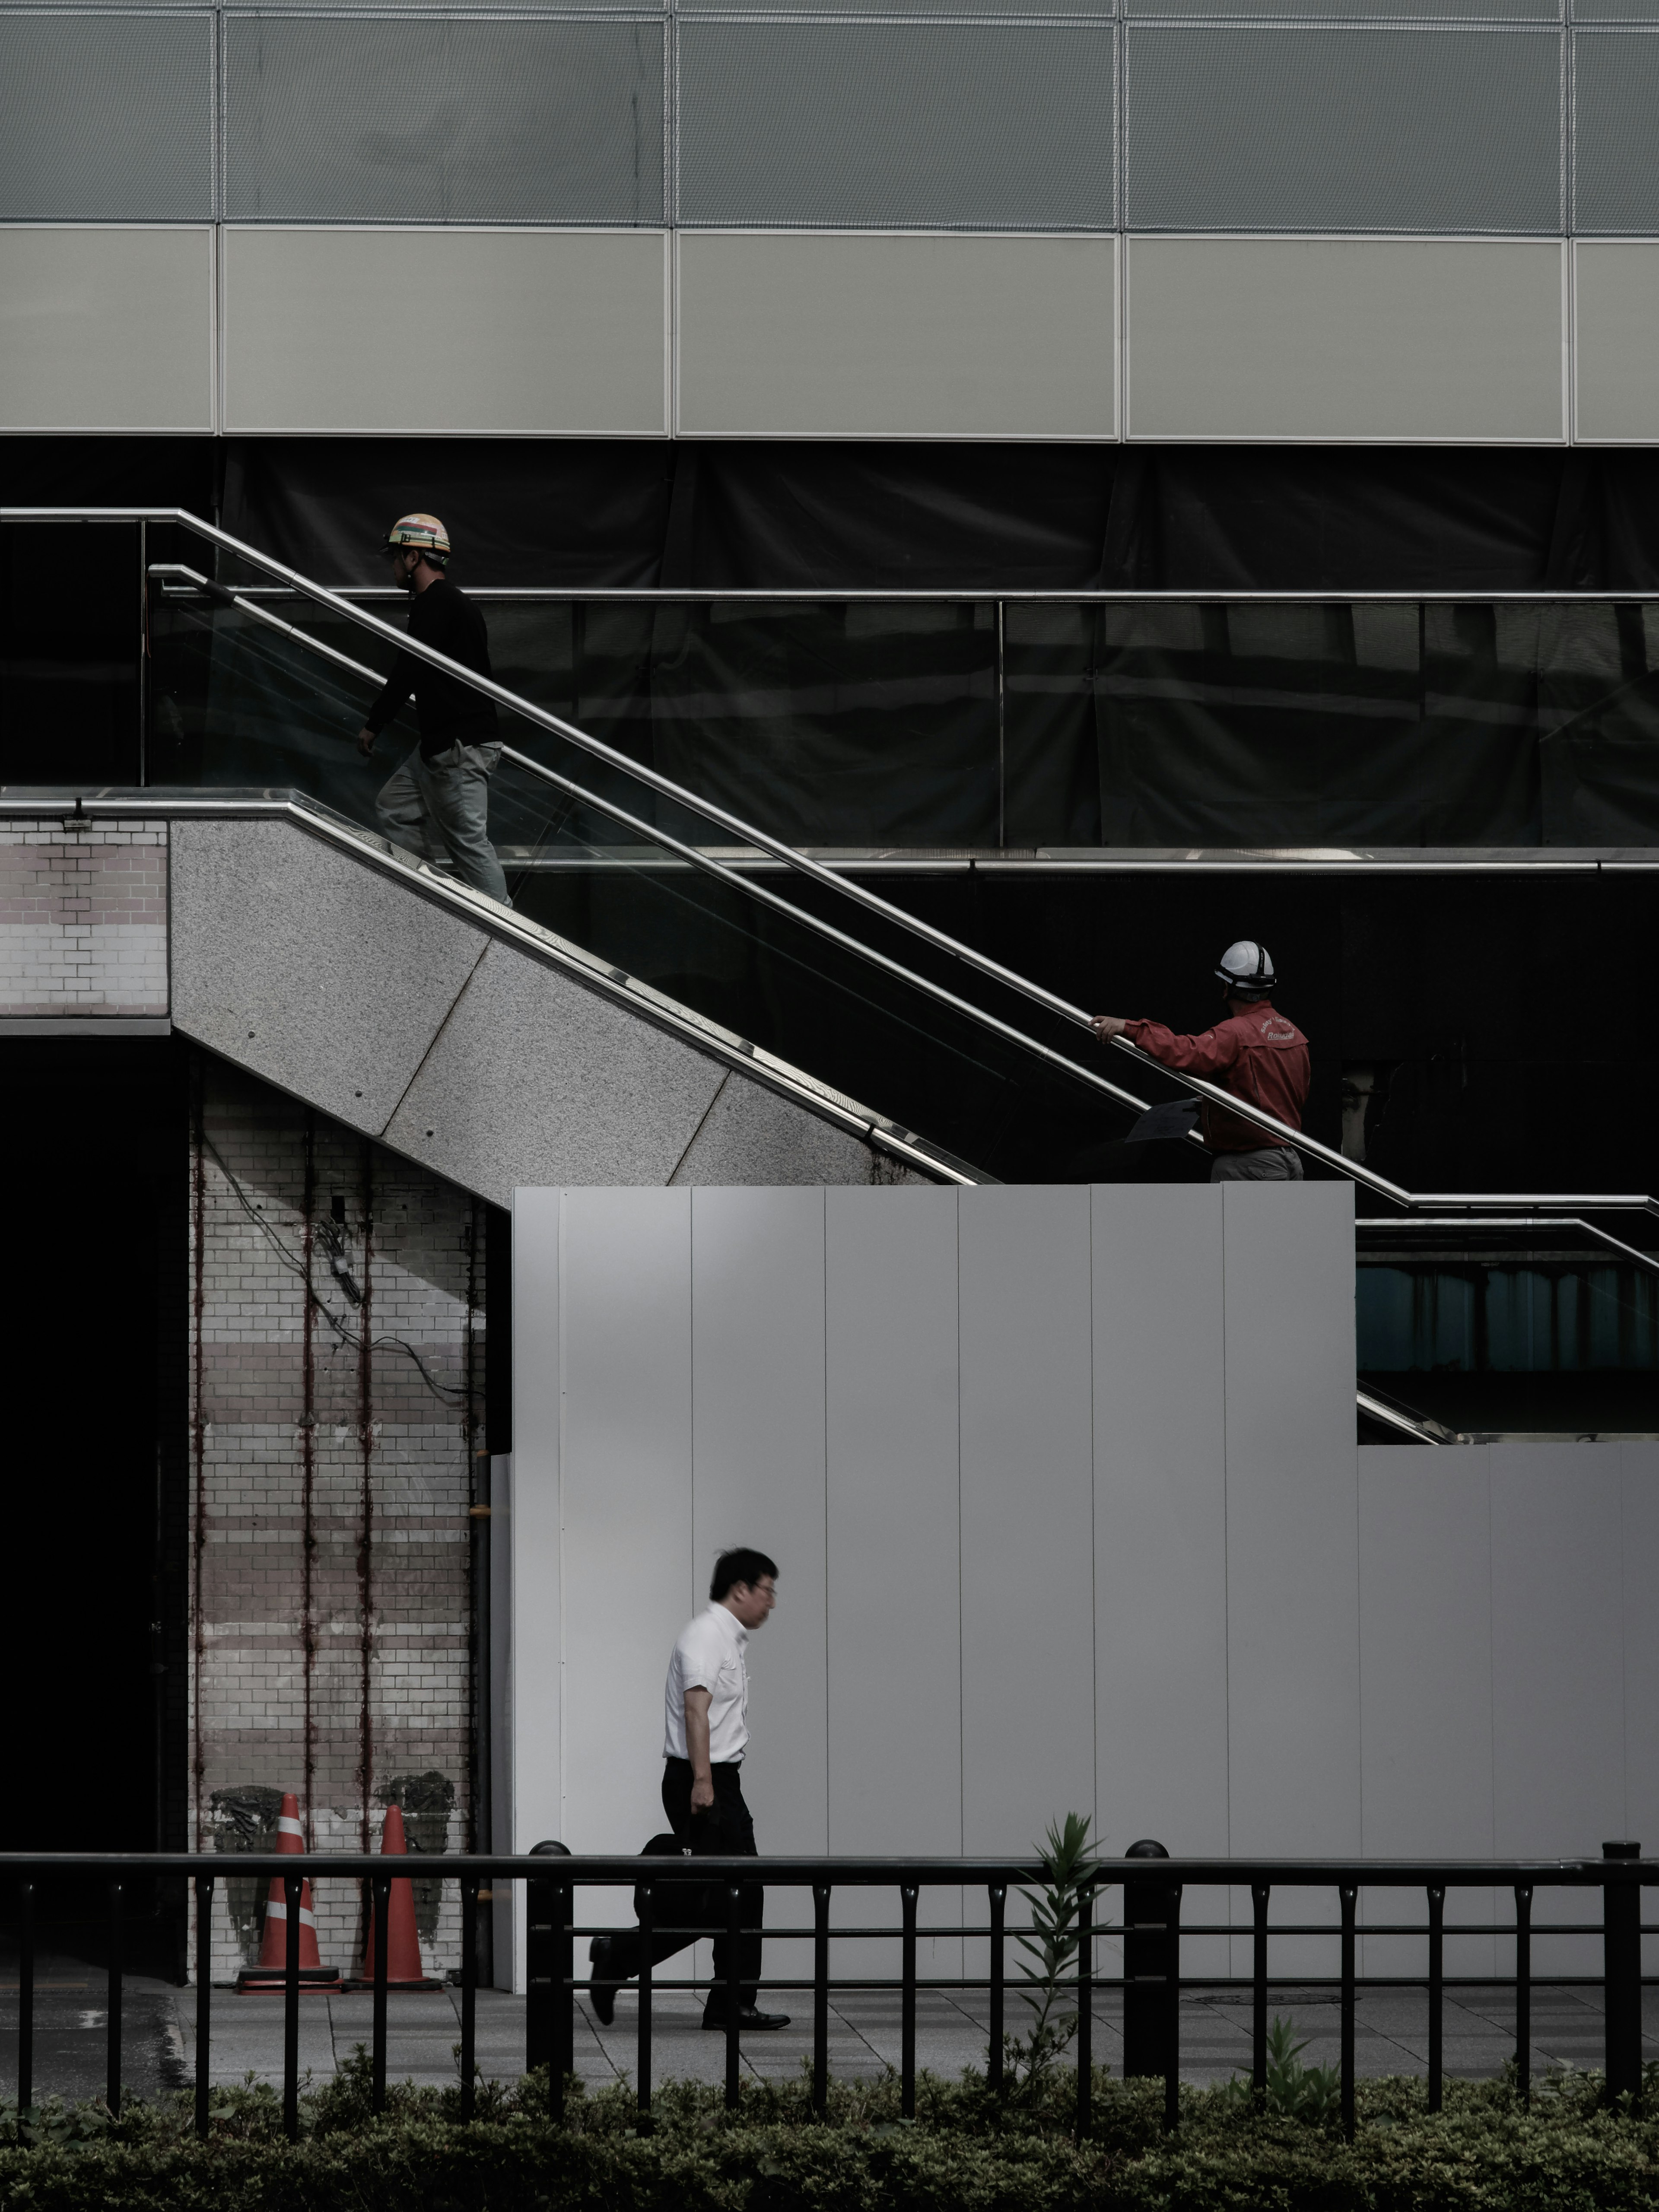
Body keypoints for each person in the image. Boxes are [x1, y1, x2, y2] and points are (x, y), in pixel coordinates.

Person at [587, 1548, 790, 2033]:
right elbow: (696, 1709)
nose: (772, 1602)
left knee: (727, 1895)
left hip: (719, 1779)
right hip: (704, 1779)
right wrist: (703, 1782)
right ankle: (721, 1999)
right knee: (738, 1890)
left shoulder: (728, 1639)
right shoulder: (705, 1635)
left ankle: (629, 1958)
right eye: (767, 1589)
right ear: (740, 1589)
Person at [355, 513, 512, 906]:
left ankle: (509, 935)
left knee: (469, 844)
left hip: (458, 749)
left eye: (396, 556)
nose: (392, 564)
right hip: (440, 746)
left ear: (413, 558)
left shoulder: (435, 603)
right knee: (396, 808)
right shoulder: (455, 604)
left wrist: (376, 723)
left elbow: (409, 667)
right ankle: (426, 899)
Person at [1090, 940, 1310, 1182]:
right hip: (1289, 1161)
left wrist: (1130, 1028)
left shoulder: (1235, 1033)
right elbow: (1279, 1094)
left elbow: (1185, 1051)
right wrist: (1219, 1102)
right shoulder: (1295, 1035)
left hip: (1250, 1167)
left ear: (1227, 987)